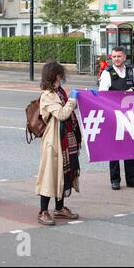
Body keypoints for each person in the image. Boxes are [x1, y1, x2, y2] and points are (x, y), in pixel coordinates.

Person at [98, 46, 134, 190]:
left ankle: (132, 179)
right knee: (114, 148)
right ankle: (115, 180)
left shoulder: (131, 71)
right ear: (111, 58)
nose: (116, 59)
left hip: (130, 115)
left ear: (124, 57)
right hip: (113, 115)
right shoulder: (107, 74)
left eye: (119, 56)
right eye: (114, 57)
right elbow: (102, 94)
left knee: (130, 147)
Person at [36, 62, 82, 225]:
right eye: (60, 74)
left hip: (64, 139)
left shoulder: (59, 92)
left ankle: (60, 208)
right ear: (55, 75)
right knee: (50, 175)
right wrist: (72, 101)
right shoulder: (47, 95)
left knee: (64, 173)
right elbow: (62, 114)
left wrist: (73, 100)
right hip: (53, 141)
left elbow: (67, 112)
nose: (62, 77)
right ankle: (43, 211)